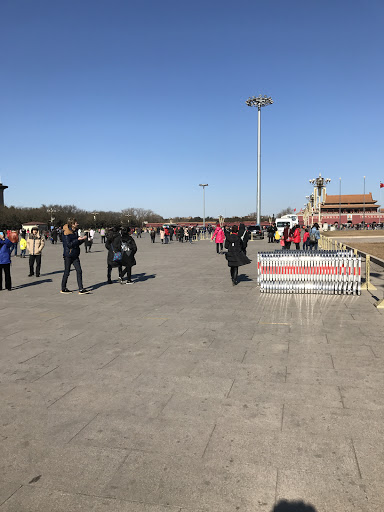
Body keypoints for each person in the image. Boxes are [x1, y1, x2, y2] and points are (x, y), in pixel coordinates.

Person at [61, 218, 90, 294]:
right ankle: (63, 288)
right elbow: (69, 244)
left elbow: (76, 243)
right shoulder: (66, 232)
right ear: (72, 224)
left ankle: (81, 289)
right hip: (68, 255)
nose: (77, 224)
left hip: (75, 254)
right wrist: (78, 240)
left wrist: (82, 240)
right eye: (76, 223)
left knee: (79, 271)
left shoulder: (75, 231)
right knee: (67, 272)